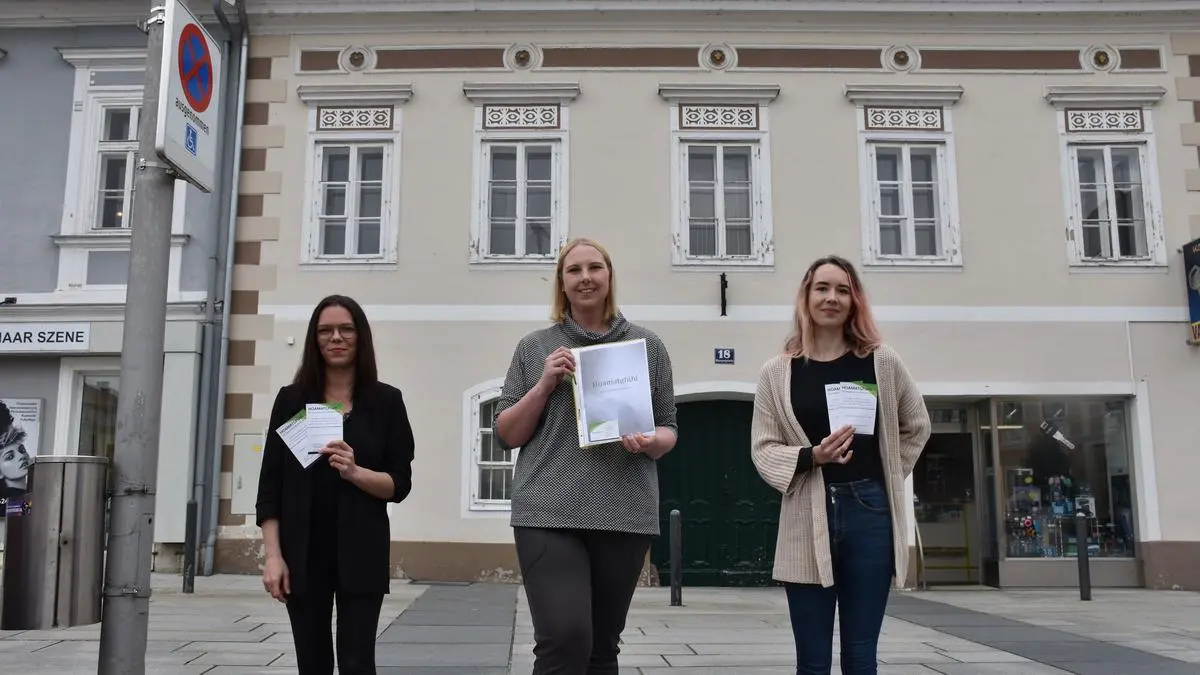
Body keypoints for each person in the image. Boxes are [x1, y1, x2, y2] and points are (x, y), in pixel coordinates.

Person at [493, 237, 679, 674]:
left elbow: (669, 427)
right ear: (561, 282)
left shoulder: (648, 346)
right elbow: (506, 433)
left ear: (609, 276)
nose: (585, 277)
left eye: (595, 268)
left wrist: (650, 441)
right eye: (574, 270)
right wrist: (544, 385)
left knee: (601, 648)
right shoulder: (534, 347)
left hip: (624, 511)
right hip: (548, 511)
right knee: (564, 638)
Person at [750, 255, 930, 675]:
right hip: (805, 513)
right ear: (806, 296)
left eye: (842, 290)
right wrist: (813, 456)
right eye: (822, 288)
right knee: (812, 661)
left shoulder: (881, 361)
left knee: (861, 654)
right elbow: (763, 448)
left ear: (854, 301)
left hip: (869, 510)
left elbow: (917, 425)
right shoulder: (777, 373)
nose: (832, 298)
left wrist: (888, 474)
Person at [256, 294, 416, 675]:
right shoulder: (292, 400)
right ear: (314, 340)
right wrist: (273, 557)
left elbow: (399, 484)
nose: (336, 338)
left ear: (361, 337)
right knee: (312, 663)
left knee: (358, 663)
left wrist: (355, 472)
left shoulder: (386, 402)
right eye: (325, 331)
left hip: (362, 553)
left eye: (346, 329)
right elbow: (270, 487)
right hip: (302, 553)